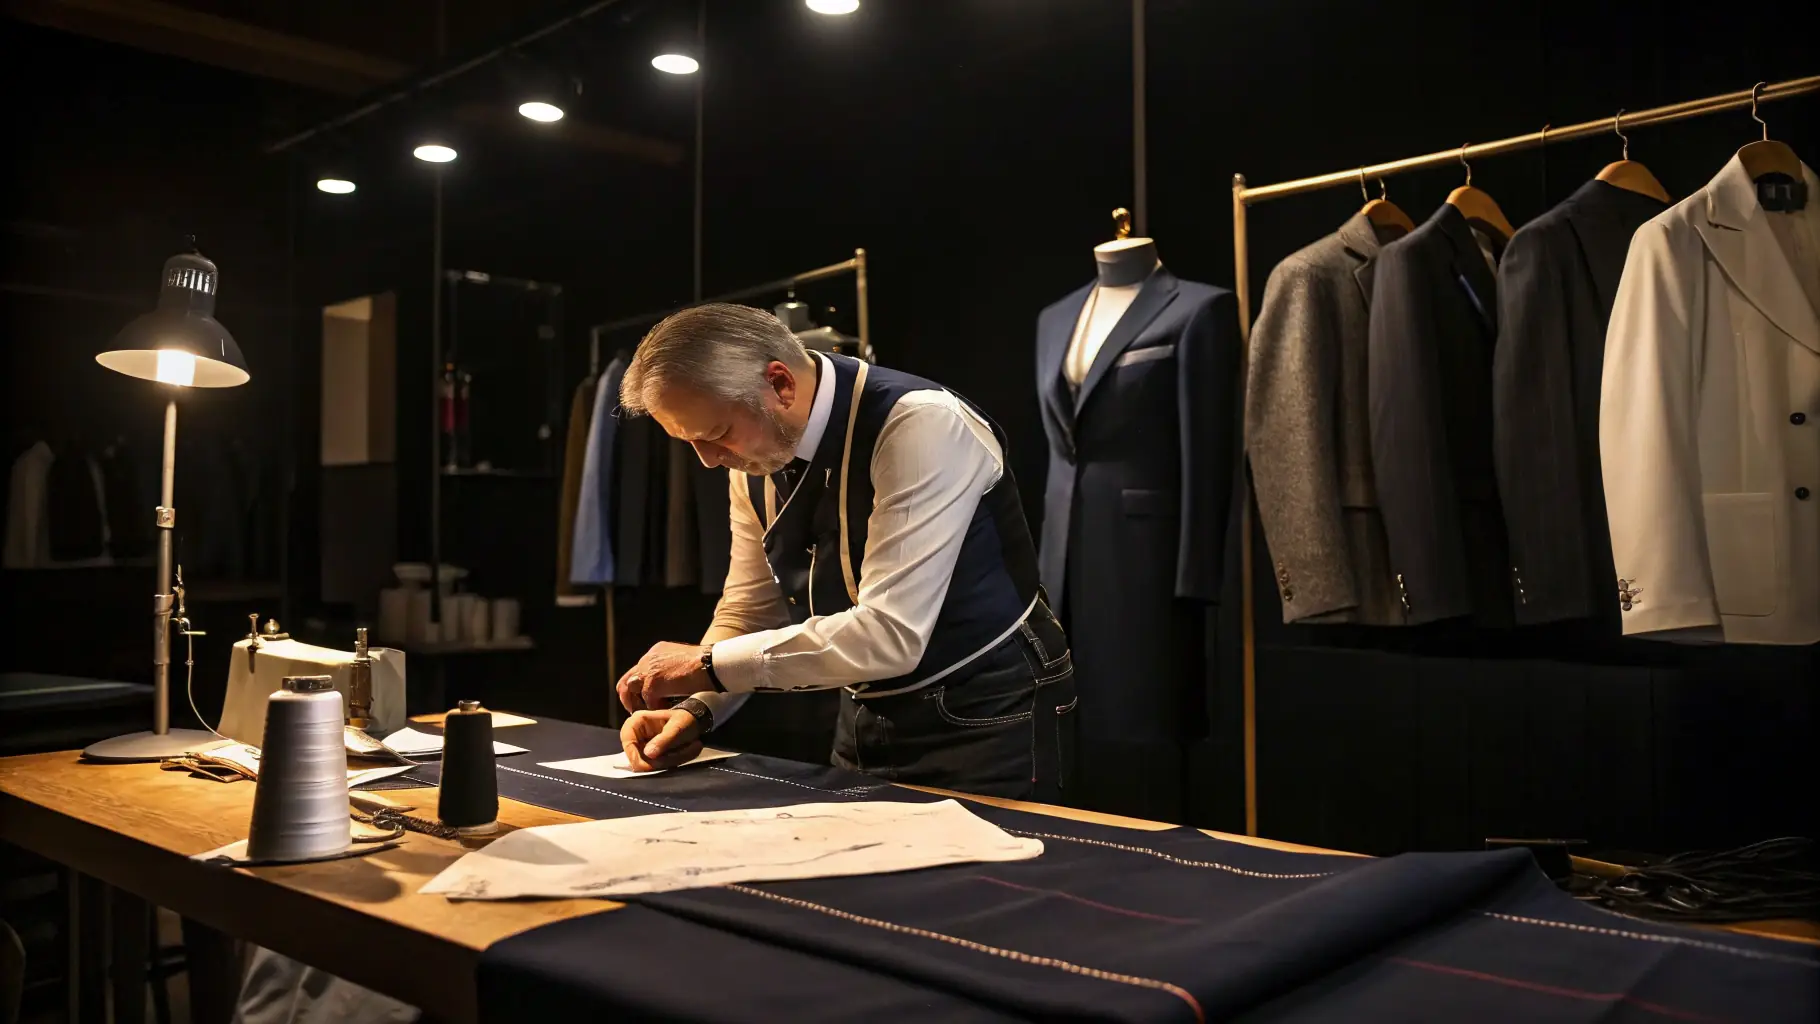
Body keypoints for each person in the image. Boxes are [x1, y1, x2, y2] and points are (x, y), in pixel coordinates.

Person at [614, 303, 1075, 800]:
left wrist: (706, 667)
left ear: (780, 384)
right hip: (863, 717)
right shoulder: (752, 458)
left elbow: (890, 635)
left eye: (717, 434)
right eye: (690, 442)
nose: (708, 461)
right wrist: (695, 708)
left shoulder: (921, 423)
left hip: (990, 711)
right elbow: (751, 609)